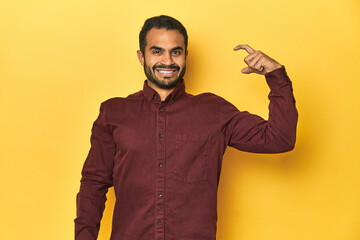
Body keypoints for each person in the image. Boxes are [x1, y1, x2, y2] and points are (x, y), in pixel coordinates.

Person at [75, 15, 298, 240]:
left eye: (175, 52)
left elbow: (280, 139)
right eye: (157, 51)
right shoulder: (114, 113)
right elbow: (93, 184)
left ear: (185, 56)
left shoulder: (214, 111)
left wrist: (275, 75)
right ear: (141, 57)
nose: (168, 61)